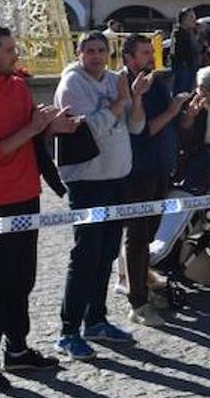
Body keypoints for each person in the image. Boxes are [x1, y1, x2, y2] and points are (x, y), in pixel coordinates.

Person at [0, 26, 74, 391]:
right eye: (8, 49)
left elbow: (31, 135)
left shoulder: (18, 87)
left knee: (23, 279)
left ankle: (17, 350)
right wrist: (33, 128)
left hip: (27, 196)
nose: (16, 53)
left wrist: (53, 127)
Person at [54, 32, 144, 360]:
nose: (95, 56)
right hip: (88, 182)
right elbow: (88, 129)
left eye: (101, 50)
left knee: (106, 253)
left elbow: (134, 127)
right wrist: (119, 103)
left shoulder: (114, 80)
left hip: (117, 178)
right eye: (89, 51)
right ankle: (68, 331)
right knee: (85, 256)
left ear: (109, 53)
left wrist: (135, 97)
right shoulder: (72, 85)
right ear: (79, 53)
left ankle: (96, 319)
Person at [120, 35, 189, 328]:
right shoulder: (127, 85)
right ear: (128, 57)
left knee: (147, 236)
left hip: (160, 168)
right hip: (139, 172)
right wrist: (172, 110)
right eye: (145, 52)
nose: (151, 57)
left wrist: (187, 114)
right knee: (137, 237)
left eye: (152, 51)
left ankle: (141, 281)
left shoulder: (154, 80)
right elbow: (141, 130)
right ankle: (137, 302)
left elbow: (172, 123)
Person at [169, 8, 200, 96]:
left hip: (191, 66)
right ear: (184, 19)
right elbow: (175, 52)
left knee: (189, 93)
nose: (194, 19)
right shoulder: (178, 33)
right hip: (183, 66)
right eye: (191, 16)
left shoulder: (192, 33)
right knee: (181, 94)